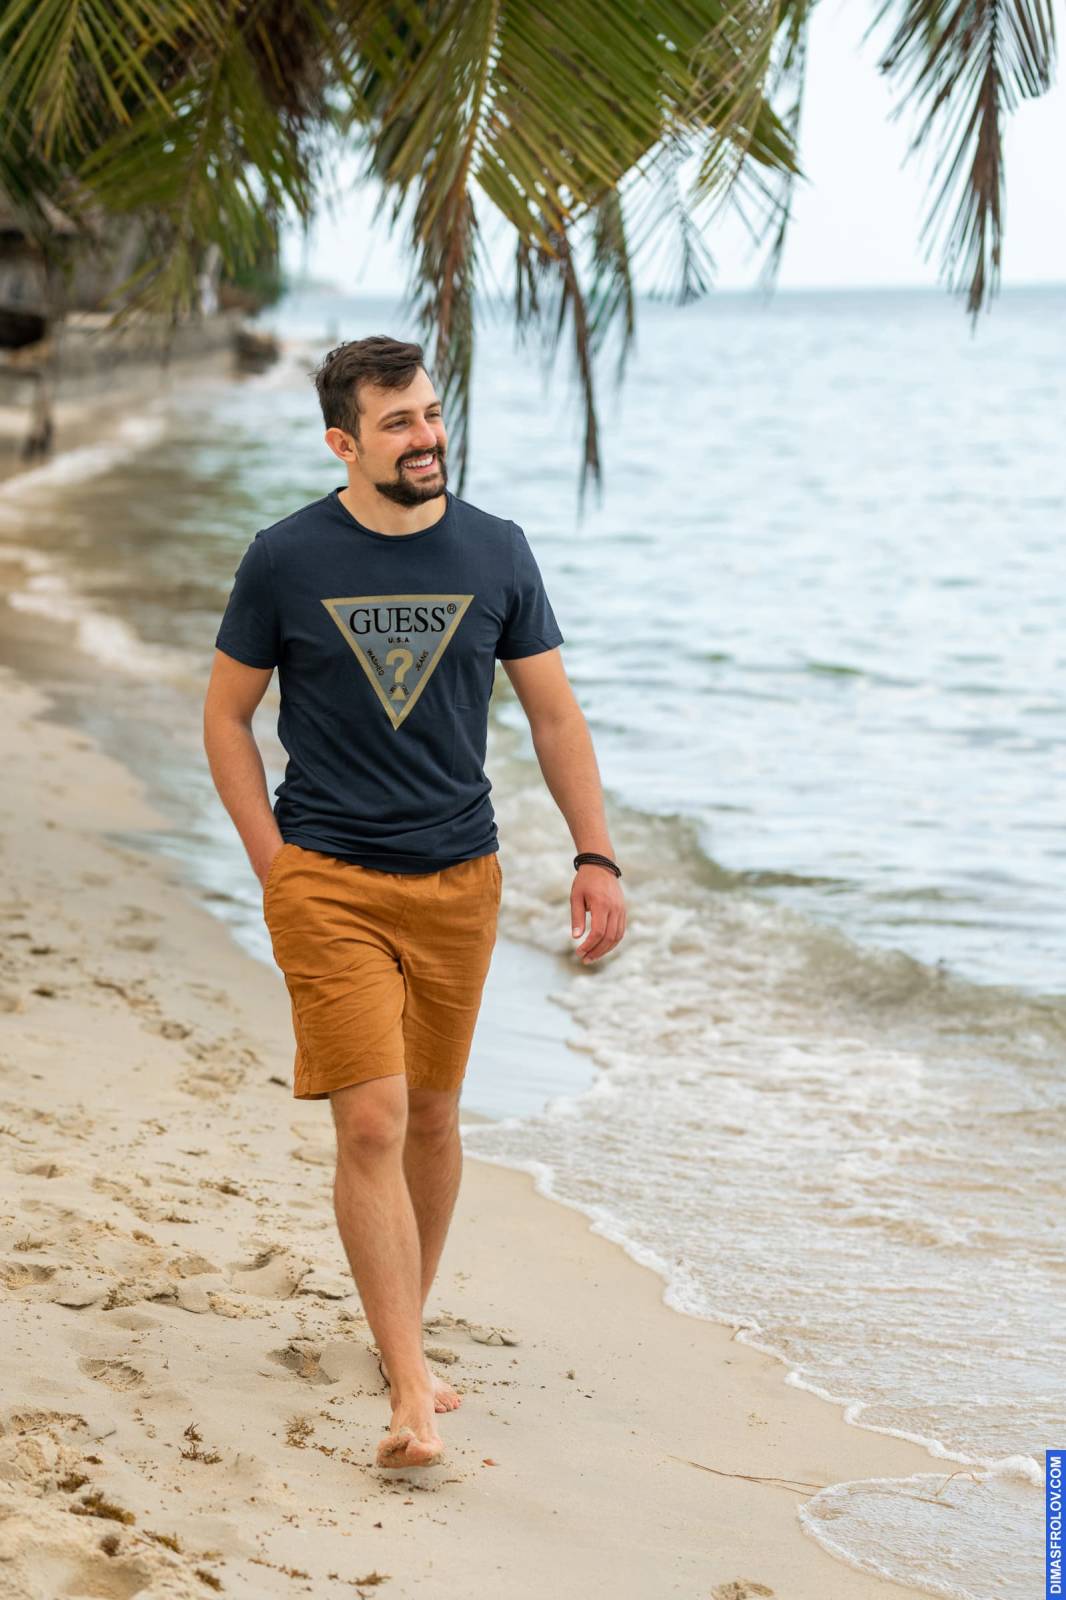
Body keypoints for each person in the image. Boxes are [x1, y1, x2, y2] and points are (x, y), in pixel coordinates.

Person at [203, 335, 627, 1471]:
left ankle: (404, 1329)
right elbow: (226, 717)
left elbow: (553, 716)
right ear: (343, 443)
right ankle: (407, 1395)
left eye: (431, 415)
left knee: (434, 1117)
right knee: (373, 1121)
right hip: (329, 879)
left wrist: (595, 855)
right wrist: (274, 864)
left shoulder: (496, 550)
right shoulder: (286, 558)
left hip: (459, 880)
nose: (427, 437)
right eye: (397, 423)